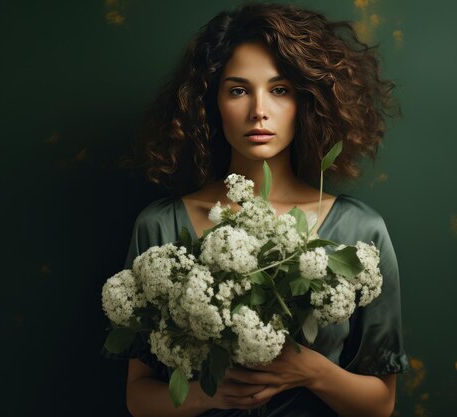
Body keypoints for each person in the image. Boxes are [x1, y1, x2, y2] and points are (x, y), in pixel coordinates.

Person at [111, 3, 409, 416]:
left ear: (306, 101)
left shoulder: (361, 230)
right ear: (210, 102)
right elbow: (138, 397)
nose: (259, 111)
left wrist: (311, 372)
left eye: (279, 89)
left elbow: (381, 403)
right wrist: (204, 395)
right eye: (238, 90)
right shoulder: (160, 225)